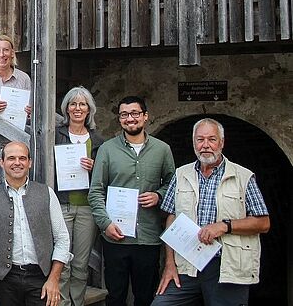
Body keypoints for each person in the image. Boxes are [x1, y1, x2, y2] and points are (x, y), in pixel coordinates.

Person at [152, 118, 270, 306]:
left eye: (211, 139)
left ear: (221, 143)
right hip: (186, 265)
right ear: (194, 143)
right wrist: (169, 264)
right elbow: (171, 217)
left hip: (226, 265)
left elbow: (263, 223)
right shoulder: (181, 174)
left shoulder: (243, 176)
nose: (205, 145)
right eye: (200, 140)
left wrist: (225, 226)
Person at [87, 96, 175, 306]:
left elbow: (173, 186)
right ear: (119, 119)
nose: (130, 119)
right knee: (115, 296)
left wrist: (158, 195)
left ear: (145, 117)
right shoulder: (107, 150)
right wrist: (105, 224)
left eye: (135, 113)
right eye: (124, 115)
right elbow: (96, 191)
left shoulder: (162, 150)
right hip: (116, 237)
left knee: (145, 297)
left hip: (148, 237)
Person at [0, 141, 72, 306]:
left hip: (41, 278)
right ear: (2, 162)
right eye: (11, 158)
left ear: (30, 162)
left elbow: (62, 238)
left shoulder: (46, 193)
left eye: (22, 158)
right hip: (5, 280)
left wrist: (53, 279)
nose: (17, 163)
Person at [55, 86, 104, 306]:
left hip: (87, 207)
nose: (77, 108)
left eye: (82, 104)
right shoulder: (56, 133)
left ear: (89, 109)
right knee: (62, 261)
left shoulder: (98, 139)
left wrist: (95, 167)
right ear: (66, 108)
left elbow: (105, 175)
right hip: (61, 204)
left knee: (81, 263)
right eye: (73, 104)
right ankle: (63, 302)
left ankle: (77, 302)